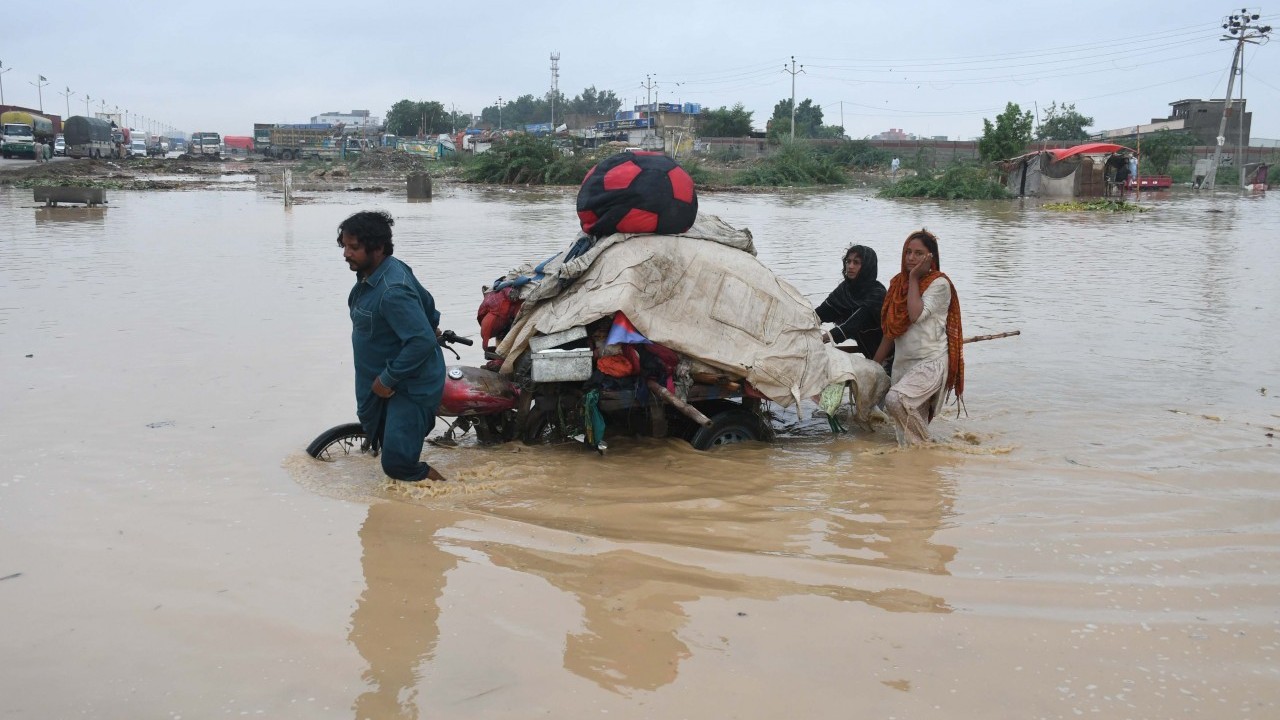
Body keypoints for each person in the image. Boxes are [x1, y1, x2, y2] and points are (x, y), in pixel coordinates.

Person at [338, 210, 448, 482]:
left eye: (353, 247)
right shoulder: (377, 273)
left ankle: (450, 503)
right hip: (383, 383)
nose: (346, 254)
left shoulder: (391, 290)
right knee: (390, 448)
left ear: (377, 248)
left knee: (398, 464)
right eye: (344, 246)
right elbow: (429, 307)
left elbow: (421, 340)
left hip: (408, 385)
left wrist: (387, 379)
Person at [872, 229, 964, 446]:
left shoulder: (939, 284)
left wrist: (913, 277)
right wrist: (873, 366)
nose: (911, 258)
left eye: (919, 253)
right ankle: (926, 463)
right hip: (903, 366)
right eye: (908, 252)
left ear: (930, 257)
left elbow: (915, 314)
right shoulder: (897, 285)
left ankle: (929, 447)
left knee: (896, 399)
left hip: (930, 363)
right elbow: (891, 331)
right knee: (906, 440)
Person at [816, 244, 886, 359]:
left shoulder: (877, 294)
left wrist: (820, 339)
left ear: (867, 266)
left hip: (890, 358)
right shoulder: (845, 290)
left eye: (856, 262)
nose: (850, 266)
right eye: (848, 261)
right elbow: (821, 313)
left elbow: (851, 326)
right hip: (869, 355)